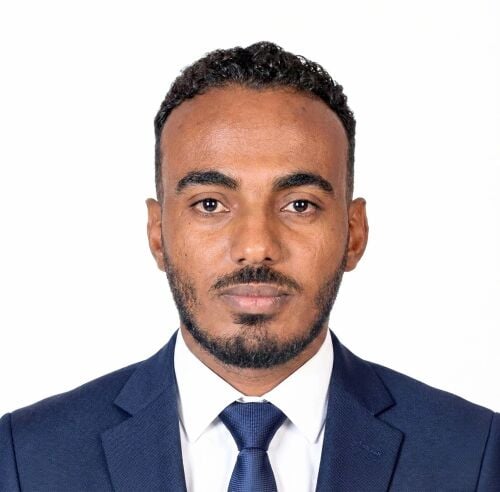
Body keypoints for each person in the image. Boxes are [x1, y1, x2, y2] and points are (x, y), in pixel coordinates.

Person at [1, 42, 498, 492]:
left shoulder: (475, 453)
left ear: (354, 233)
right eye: (210, 204)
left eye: (299, 205)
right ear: (158, 233)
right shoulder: (25, 457)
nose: (256, 247)